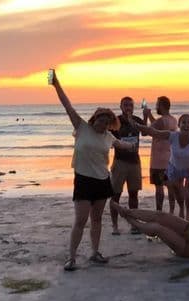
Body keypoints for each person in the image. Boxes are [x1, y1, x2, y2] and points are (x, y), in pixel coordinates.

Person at [50, 69, 134, 271]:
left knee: (97, 219)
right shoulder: (81, 127)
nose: (103, 124)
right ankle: (71, 257)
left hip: (102, 181)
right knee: (80, 220)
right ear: (94, 119)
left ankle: (95, 252)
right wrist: (56, 84)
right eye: (101, 120)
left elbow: (122, 145)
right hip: (84, 180)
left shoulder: (109, 137)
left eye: (107, 122)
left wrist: (132, 146)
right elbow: (66, 104)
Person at [109, 96, 145, 235]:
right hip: (119, 162)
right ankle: (114, 225)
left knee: (133, 194)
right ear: (121, 106)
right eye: (125, 105)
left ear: (133, 107)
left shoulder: (136, 120)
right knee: (115, 195)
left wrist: (146, 116)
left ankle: (134, 225)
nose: (128, 107)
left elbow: (146, 132)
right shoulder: (115, 121)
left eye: (130, 105)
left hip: (135, 162)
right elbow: (106, 136)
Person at [142, 96, 177, 215]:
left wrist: (145, 116)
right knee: (170, 186)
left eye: (157, 104)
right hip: (170, 158)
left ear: (161, 106)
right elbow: (157, 127)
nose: (156, 106)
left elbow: (145, 131)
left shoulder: (161, 121)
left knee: (159, 187)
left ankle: (159, 212)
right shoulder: (173, 120)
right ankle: (172, 211)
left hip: (158, 160)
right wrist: (151, 116)